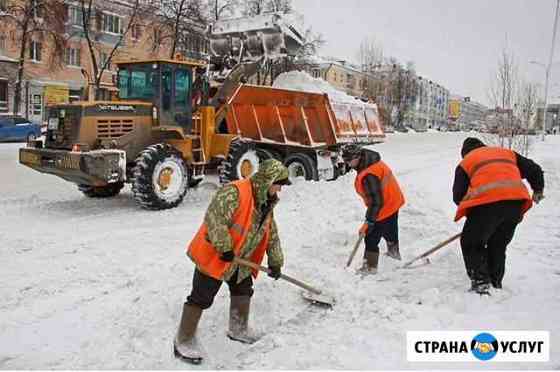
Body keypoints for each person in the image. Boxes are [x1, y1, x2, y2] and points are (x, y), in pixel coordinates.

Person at [174, 159, 291, 364]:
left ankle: (238, 329)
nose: (280, 189)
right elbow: (214, 218)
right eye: (278, 183)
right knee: (201, 297)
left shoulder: (265, 201)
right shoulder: (235, 191)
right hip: (217, 255)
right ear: (267, 180)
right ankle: (183, 340)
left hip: (241, 259)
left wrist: (275, 261)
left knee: (243, 290)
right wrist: (225, 246)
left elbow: (271, 233)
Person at [453, 137, 545, 295]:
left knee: (471, 242)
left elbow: (458, 196)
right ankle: (495, 282)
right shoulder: (506, 153)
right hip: (516, 204)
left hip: (487, 205)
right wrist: (538, 190)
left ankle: (481, 282)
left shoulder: (466, 162)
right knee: (498, 243)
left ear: (465, 153)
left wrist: (475, 218)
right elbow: (534, 169)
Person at [342, 145, 405, 274]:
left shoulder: (368, 175)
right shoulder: (370, 162)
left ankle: (370, 267)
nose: (347, 163)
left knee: (370, 237)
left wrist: (369, 221)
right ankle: (394, 253)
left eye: (349, 160)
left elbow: (376, 202)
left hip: (385, 205)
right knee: (390, 229)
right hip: (393, 201)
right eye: (345, 160)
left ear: (358, 157)